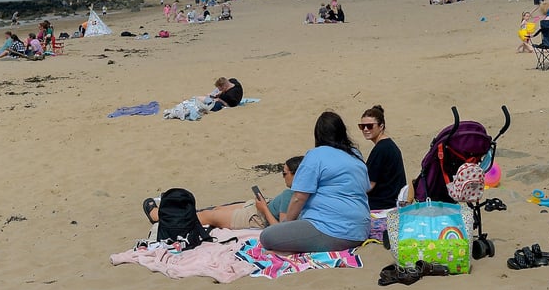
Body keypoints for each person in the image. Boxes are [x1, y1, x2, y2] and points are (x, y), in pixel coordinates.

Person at [259, 111, 371, 253]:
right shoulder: (355, 154)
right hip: (361, 230)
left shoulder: (316, 155)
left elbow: (299, 198)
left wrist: (286, 224)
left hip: (333, 230)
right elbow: (365, 188)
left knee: (267, 236)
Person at [143, 156, 304, 229]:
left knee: (208, 216)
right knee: (216, 210)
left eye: (285, 173)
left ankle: (159, 216)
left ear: (296, 174)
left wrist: (263, 209)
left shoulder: (291, 196)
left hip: (257, 218)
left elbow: (281, 230)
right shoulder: (299, 194)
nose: (283, 177)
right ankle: (170, 210)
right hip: (261, 207)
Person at [359, 105, 407, 210]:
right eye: (362, 126)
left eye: (370, 126)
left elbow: (369, 185)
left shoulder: (381, 149)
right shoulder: (388, 146)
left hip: (383, 207)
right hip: (394, 205)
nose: (365, 129)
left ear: (381, 126)